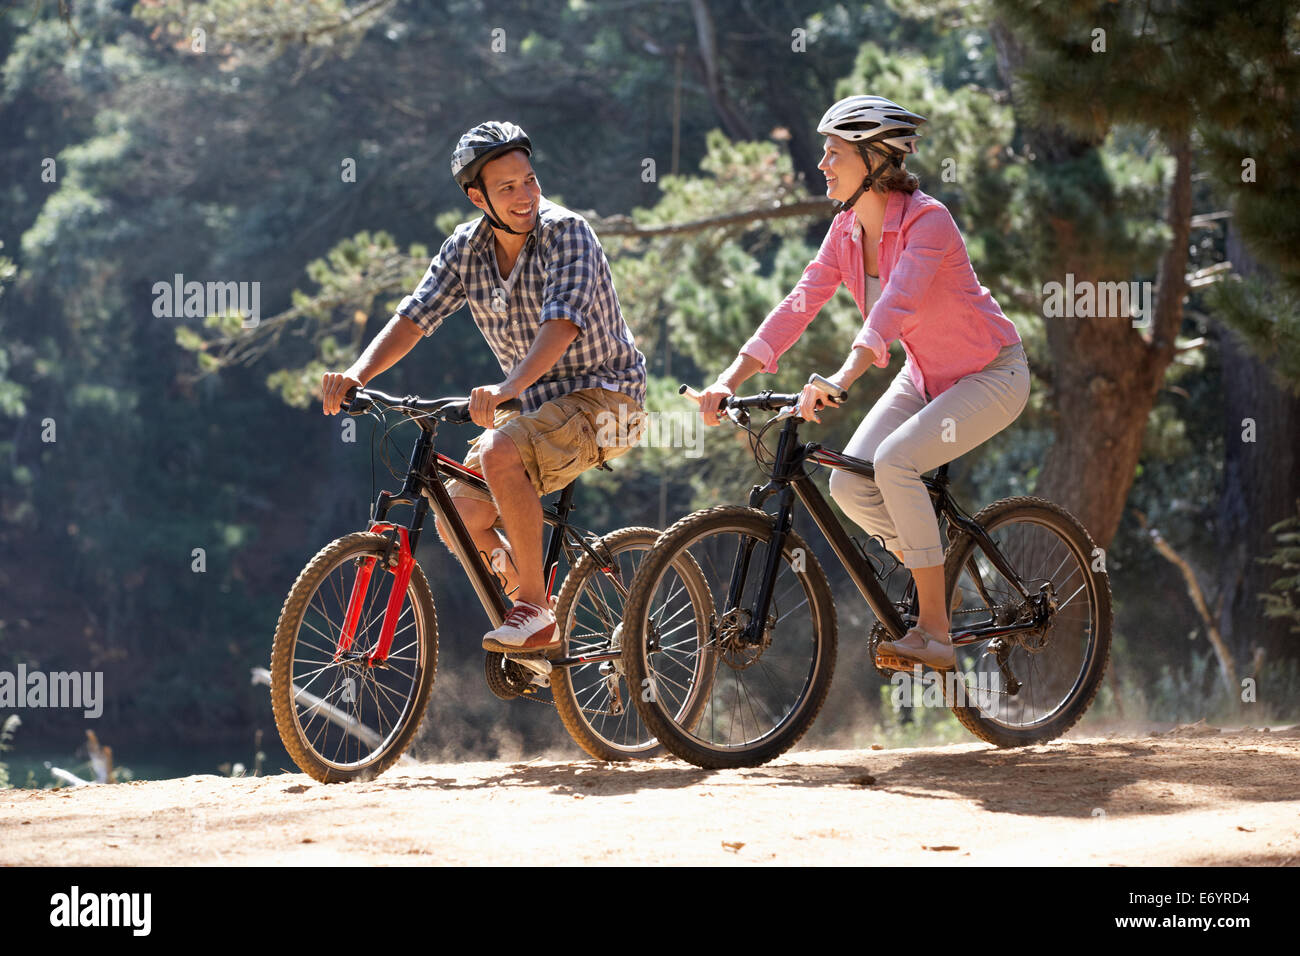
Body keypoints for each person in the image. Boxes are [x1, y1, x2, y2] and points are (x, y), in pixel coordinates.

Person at [695, 95, 1029, 671]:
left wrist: (845, 375)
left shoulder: (929, 222)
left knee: (895, 462)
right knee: (850, 483)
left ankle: (935, 632)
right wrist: (728, 378)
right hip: (925, 377)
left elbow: (893, 310)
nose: (822, 165)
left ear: (876, 160)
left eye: (834, 154)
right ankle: (935, 574)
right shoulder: (846, 230)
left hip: (992, 373)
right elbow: (798, 304)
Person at [321, 121, 647, 655]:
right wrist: (358, 374)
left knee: (496, 447)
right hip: (535, 408)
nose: (525, 197)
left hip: (607, 399)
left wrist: (505, 387)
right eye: (507, 188)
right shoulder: (465, 249)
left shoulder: (568, 233)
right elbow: (414, 317)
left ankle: (536, 611)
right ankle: (529, 600)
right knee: (460, 515)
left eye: (530, 180)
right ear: (478, 197)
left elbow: (561, 327)